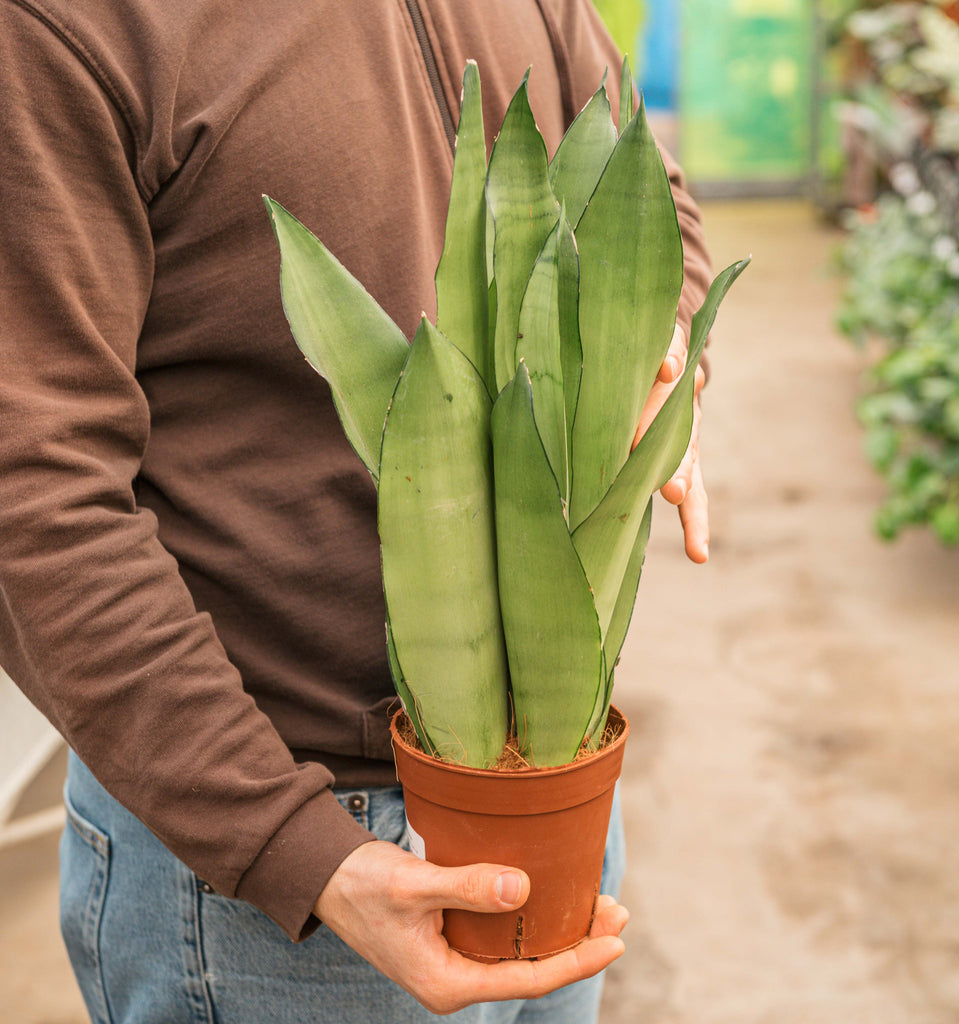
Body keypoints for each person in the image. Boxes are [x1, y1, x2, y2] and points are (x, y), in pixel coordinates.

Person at [0, 0, 713, 1019]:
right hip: (279, 878)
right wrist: (294, 848)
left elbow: (649, 195)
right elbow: (30, 490)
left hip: (559, 803)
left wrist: (662, 357)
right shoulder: (61, 26)